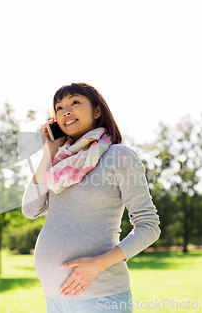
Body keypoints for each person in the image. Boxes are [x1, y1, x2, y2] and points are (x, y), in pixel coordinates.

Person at [21, 82, 161, 313]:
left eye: (75, 102)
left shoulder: (118, 156)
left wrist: (98, 265)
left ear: (97, 111)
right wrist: (49, 153)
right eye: (59, 108)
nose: (66, 110)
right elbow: (30, 209)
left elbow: (149, 226)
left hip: (100, 297)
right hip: (55, 300)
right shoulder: (59, 165)